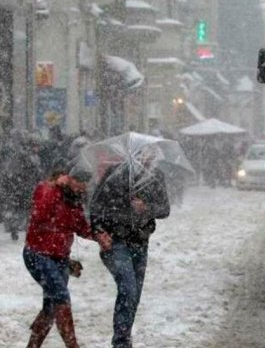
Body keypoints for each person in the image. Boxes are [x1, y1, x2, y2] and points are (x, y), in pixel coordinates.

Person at [90, 146, 170, 348]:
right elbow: (96, 206)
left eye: (151, 155)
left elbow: (165, 209)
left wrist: (146, 208)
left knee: (135, 294)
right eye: (144, 154)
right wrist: (99, 231)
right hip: (117, 241)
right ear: (133, 155)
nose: (148, 159)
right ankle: (121, 341)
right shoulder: (115, 174)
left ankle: (124, 335)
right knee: (128, 288)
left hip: (141, 242)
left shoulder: (155, 177)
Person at [23, 165, 110, 348]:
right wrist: (54, 188)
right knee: (61, 297)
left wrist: (98, 236)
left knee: (51, 306)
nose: (82, 187)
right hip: (38, 254)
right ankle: (73, 345)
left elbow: (81, 227)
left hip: (60, 258)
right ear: (68, 178)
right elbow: (39, 214)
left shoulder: (74, 201)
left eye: (85, 184)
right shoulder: (46, 189)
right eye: (79, 182)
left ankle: (32, 346)